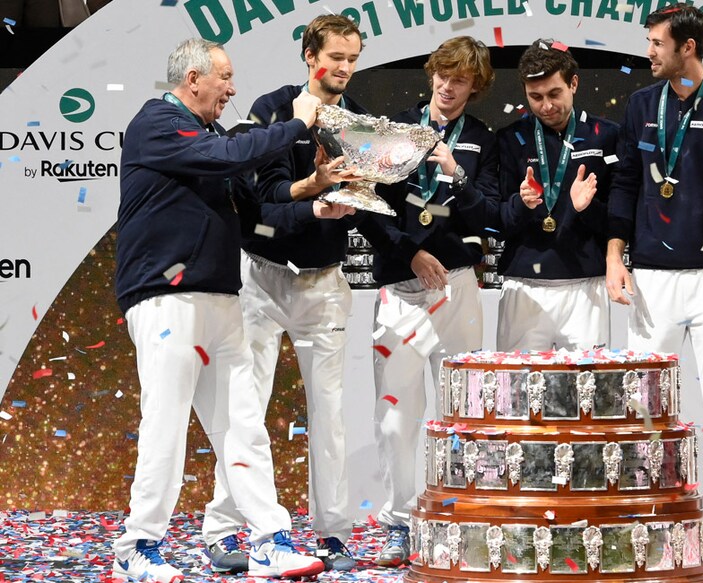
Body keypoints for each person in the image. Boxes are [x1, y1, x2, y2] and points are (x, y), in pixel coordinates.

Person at [111, 38, 325, 582]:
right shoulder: (156, 123)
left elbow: (258, 219)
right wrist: (296, 124)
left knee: (243, 425)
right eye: (225, 78)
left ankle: (268, 541)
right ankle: (137, 546)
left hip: (221, 297)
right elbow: (234, 154)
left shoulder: (206, 139)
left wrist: (318, 205)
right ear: (192, 79)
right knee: (166, 423)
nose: (232, 89)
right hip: (166, 297)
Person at [200, 14, 375, 573]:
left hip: (325, 281)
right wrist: (315, 192)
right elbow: (264, 193)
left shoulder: (358, 122)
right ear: (309, 55)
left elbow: (364, 196)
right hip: (263, 274)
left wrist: (355, 197)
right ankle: (225, 529)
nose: (344, 68)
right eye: (336, 58)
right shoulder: (275, 109)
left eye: (352, 59)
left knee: (331, 411)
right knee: (243, 408)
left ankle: (333, 534)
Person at [605, 3, 703, 570]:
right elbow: (624, 182)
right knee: (640, 411)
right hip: (650, 277)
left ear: (688, 48)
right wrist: (614, 255)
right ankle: (641, 521)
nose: (648, 51)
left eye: (656, 43)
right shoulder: (640, 105)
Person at [369, 35, 499, 566]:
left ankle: (458, 516)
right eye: (442, 75)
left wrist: (455, 174)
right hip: (401, 289)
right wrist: (411, 256)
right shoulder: (393, 129)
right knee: (397, 417)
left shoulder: (482, 141)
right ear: (430, 75)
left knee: (461, 410)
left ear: (476, 86)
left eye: (460, 79)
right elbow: (368, 206)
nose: (448, 86)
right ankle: (399, 522)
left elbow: (488, 215)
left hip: (458, 287)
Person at [494, 39, 619, 351]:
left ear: (573, 83)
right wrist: (520, 205)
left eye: (554, 94)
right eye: (535, 97)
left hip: (586, 286)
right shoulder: (510, 139)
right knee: (519, 395)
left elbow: (619, 221)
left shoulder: (606, 136)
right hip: (523, 287)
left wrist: (586, 208)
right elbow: (497, 221)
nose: (546, 106)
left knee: (586, 395)